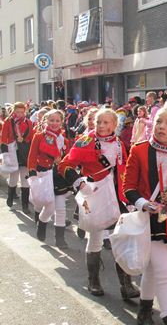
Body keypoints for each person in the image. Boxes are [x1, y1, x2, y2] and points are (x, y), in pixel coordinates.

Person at [58, 108, 140, 300]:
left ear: (114, 125)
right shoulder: (85, 141)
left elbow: (124, 171)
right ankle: (93, 280)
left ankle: (126, 285)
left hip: (116, 197)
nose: (102, 126)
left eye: (106, 122)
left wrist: (128, 198)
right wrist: (79, 183)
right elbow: (64, 165)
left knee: (119, 238)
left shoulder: (119, 143)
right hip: (94, 195)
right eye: (99, 122)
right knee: (95, 238)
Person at [124, 108, 167, 325]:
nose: (162, 126)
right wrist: (144, 204)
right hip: (146, 217)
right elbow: (129, 187)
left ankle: (144, 312)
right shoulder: (139, 149)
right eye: (159, 121)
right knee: (162, 268)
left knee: (154, 267)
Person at [28, 110, 71, 248]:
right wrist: (32, 173)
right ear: (46, 121)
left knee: (60, 207)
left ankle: (60, 239)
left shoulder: (64, 140)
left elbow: (68, 158)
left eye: (57, 120)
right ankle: (42, 221)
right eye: (51, 120)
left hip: (58, 176)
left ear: (61, 122)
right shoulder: (39, 136)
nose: (54, 123)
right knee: (49, 206)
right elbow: (32, 156)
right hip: (43, 174)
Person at [1, 102, 34, 214]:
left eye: (22, 112)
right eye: (17, 112)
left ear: (25, 112)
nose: (19, 114)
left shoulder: (28, 122)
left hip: (24, 153)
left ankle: (25, 205)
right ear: (14, 111)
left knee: (25, 179)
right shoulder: (8, 121)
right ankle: (10, 196)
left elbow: (31, 137)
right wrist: (5, 153)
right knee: (13, 176)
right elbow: (3, 137)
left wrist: (24, 139)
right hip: (12, 152)